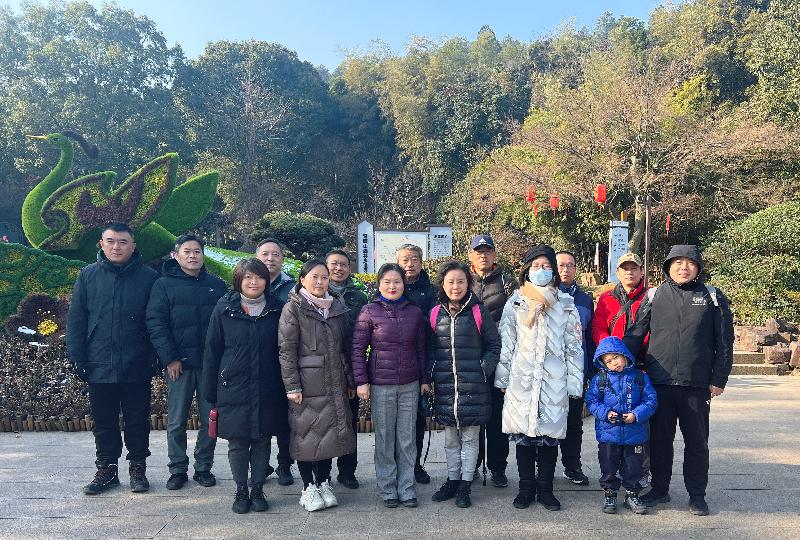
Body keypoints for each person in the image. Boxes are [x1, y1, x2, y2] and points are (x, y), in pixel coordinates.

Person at [623, 245, 734, 516]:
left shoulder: (712, 296)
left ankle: (697, 495)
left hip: (696, 384)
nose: (683, 268)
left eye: (690, 263)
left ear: (698, 267)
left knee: (697, 443)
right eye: (677, 262)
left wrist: (719, 378)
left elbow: (725, 341)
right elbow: (637, 333)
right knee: (660, 442)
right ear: (668, 267)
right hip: (659, 383)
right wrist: (619, 361)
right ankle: (660, 489)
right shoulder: (655, 295)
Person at [66, 223, 159, 495]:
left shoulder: (149, 277)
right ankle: (106, 469)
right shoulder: (88, 276)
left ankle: (138, 467)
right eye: (110, 241)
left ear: (133, 246)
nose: (116, 247)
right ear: (101, 243)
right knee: (104, 420)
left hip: (137, 362)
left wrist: (156, 355)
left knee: (137, 419)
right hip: (98, 361)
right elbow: (77, 319)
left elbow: (156, 321)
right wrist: (77, 356)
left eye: (122, 242)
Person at [497, 244, 584, 511]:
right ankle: (525, 488)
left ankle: (546, 489)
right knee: (523, 436)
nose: (541, 270)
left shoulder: (565, 304)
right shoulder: (516, 302)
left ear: (554, 271)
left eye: (546, 266)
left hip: (553, 381)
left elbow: (573, 347)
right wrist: (503, 379)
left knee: (549, 437)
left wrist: (574, 382)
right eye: (536, 266)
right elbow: (507, 343)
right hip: (522, 379)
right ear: (527, 270)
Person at [202, 258, 287, 514]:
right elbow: (212, 350)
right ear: (238, 280)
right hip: (233, 386)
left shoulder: (277, 309)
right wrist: (210, 391)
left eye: (259, 277)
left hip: (268, 385)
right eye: (248, 277)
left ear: (266, 281)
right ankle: (241, 489)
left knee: (262, 439)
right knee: (237, 442)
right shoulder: (224, 308)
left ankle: (258, 488)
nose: (253, 282)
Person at [146, 234, 226, 491]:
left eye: (197, 251)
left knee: (210, 419)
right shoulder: (163, 285)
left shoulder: (216, 285)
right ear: (175, 255)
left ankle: (204, 467)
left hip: (210, 365)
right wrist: (170, 358)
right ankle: (178, 468)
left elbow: (225, 325)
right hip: (178, 365)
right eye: (187, 251)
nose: (192, 256)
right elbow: (156, 323)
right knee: (176, 420)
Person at [279, 259, 356, 512]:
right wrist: (292, 386)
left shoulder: (336, 308)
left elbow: (345, 348)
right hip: (307, 385)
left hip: (334, 382)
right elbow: (286, 351)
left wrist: (350, 380)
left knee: (329, 435)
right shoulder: (293, 309)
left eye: (324, 277)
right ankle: (308, 487)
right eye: (314, 277)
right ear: (303, 280)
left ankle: (323, 482)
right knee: (306, 434)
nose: (320, 282)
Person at [351, 263, 430, 508]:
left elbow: (421, 349)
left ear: (404, 284)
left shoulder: (414, 312)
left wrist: (425, 380)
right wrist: (361, 381)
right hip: (381, 384)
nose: (392, 286)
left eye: (397, 282)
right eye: (387, 282)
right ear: (379, 284)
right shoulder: (369, 311)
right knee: (385, 438)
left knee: (407, 438)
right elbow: (357, 349)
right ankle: (387, 488)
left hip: (410, 383)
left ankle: (406, 488)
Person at [428, 261, 501, 509]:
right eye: (450, 282)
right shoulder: (435, 313)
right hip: (446, 386)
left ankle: (465, 485)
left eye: (461, 281)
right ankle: (452, 480)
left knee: (470, 439)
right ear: (443, 284)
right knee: (450, 439)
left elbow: (494, 345)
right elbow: (429, 347)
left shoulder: (478, 312)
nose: (455, 286)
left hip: (474, 387)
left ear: (468, 284)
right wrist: (431, 373)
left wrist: (483, 368)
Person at [467, 234, 518, 488]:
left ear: (495, 255)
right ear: (471, 255)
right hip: (470, 359)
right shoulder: (463, 281)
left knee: (498, 417)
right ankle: (473, 464)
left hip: (500, 358)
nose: (483, 255)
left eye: (487, 251)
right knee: (474, 415)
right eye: (478, 251)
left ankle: (498, 467)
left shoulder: (507, 283)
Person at [585, 337, 657, 515]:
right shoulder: (600, 379)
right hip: (609, 434)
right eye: (608, 361)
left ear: (624, 355)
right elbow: (592, 401)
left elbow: (651, 401)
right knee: (608, 465)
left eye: (616, 357)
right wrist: (605, 413)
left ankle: (632, 494)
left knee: (634, 467)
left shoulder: (640, 377)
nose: (614, 363)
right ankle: (610, 493)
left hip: (635, 433)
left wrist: (636, 415)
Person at [326, 249, 369, 490]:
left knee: (349, 422)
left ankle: (347, 471)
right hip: (323, 368)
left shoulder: (359, 297)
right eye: (334, 264)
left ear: (349, 269)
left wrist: (357, 376)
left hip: (350, 365)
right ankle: (323, 472)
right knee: (324, 422)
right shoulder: (317, 292)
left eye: (343, 264)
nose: (338, 268)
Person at [255, 238, 295, 485]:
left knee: (286, 417)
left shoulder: (293, 288)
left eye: (276, 254)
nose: (270, 259)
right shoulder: (248, 283)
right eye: (265, 254)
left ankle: (285, 464)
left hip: (286, 360)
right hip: (258, 361)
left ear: (282, 258)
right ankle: (261, 464)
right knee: (260, 417)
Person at [396, 243, 436, 484]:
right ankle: (395, 465)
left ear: (421, 262)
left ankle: (415, 464)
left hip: (420, 359)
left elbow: (433, 328)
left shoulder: (431, 291)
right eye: (404, 260)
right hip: (393, 363)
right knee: (394, 423)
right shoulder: (390, 287)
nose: (409, 264)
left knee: (417, 420)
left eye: (414, 259)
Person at [555, 250, 595, 486]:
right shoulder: (545, 295)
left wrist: (588, 369)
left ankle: (572, 466)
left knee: (573, 423)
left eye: (570, 265)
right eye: (561, 265)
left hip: (575, 371)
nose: (565, 269)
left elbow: (588, 338)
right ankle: (545, 470)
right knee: (549, 421)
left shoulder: (585, 299)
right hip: (550, 371)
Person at [591, 252, 649, 351]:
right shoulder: (606, 298)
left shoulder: (651, 296)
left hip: (645, 355)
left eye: (634, 268)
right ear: (617, 272)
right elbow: (598, 329)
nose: (629, 272)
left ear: (642, 271)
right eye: (625, 269)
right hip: (614, 355)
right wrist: (610, 350)